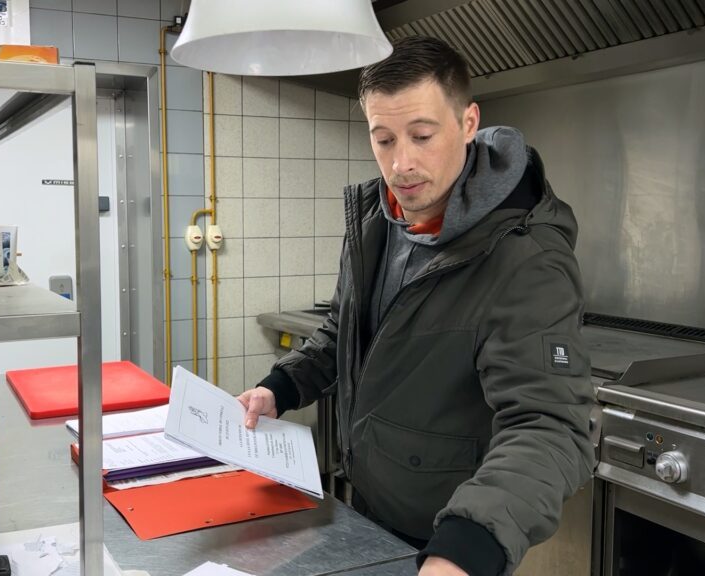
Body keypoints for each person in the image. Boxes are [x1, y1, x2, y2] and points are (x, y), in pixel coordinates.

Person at [238, 36, 595, 576]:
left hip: (449, 536)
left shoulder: (526, 255)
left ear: (468, 123)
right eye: (383, 140)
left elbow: (550, 425)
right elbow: (344, 331)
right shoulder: (377, 219)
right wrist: (279, 388)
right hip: (369, 509)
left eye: (422, 136)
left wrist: (466, 546)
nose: (401, 163)